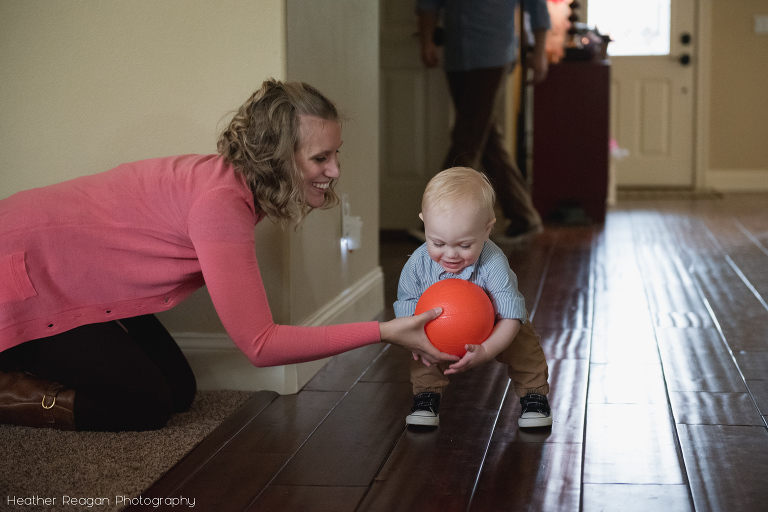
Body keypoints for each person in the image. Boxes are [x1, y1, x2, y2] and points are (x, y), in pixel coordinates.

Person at [0, 79, 456, 432]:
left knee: (179, 391)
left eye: (336, 154)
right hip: (22, 275)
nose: (335, 171)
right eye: (321, 159)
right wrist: (385, 331)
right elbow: (260, 345)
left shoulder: (232, 186)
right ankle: (9, 386)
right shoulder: (219, 205)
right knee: (146, 405)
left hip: (79, 277)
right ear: (278, 157)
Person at [394, 167, 552, 428]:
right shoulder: (417, 266)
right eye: (438, 243)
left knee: (524, 345)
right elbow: (408, 317)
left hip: (497, 321)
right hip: (436, 329)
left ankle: (533, 395)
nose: (451, 255)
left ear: (487, 229)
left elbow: (511, 315)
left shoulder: (494, 262)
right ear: (425, 224)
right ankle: (426, 397)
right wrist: (418, 344)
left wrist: (487, 350)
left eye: (465, 245)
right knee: (422, 353)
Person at [416, 0, 551, 241]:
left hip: (494, 55)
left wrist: (540, 53)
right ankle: (524, 217)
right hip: (456, 56)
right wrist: (426, 40)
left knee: (466, 137)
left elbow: (538, 8)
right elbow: (428, 4)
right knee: (486, 138)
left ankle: (438, 222)